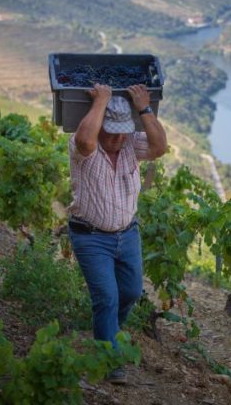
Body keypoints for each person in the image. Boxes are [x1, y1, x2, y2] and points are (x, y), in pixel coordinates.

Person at [67, 83, 167, 384]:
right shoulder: (84, 145)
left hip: (128, 234)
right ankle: (108, 361)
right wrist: (102, 100)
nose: (118, 137)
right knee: (107, 298)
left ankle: (108, 331)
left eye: (123, 130)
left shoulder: (128, 144)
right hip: (91, 236)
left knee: (131, 292)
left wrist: (144, 108)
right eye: (111, 130)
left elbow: (160, 147)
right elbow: (86, 139)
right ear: (100, 125)